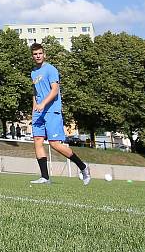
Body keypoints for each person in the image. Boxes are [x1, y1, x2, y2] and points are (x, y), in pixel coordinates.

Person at [29, 43, 90, 186]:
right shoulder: (33, 72)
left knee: (54, 144)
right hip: (38, 113)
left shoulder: (51, 69)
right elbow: (35, 93)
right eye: (35, 54)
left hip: (51, 111)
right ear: (32, 56)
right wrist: (33, 110)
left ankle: (83, 167)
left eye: (40, 53)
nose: (38, 56)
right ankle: (45, 177)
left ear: (44, 54)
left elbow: (55, 90)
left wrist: (43, 104)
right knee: (37, 141)